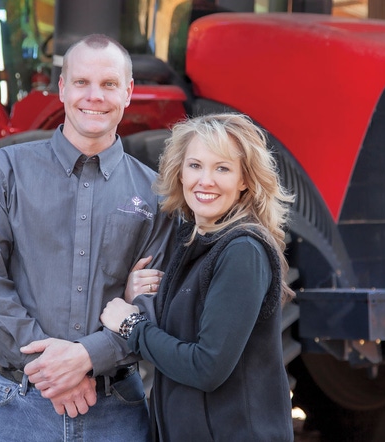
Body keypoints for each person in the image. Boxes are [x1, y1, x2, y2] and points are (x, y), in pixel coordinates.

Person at [0, 33, 174, 441]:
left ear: (128, 92)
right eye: (81, 83)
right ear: (62, 88)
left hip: (117, 413)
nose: (95, 96)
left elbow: (154, 300)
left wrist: (86, 357)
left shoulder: (155, 194)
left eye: (109, 84)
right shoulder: (3, 172)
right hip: (20, 407)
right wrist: (57, 369)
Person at [101, 113, 296, 441]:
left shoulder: (242, 251)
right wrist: (140, 294)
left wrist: (130, 326)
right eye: (195, 166)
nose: (205, 180)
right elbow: (182, 331)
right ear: (179, 172)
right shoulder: (194, 241)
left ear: (244, 180)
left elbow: (206, 367)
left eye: (222, 168)